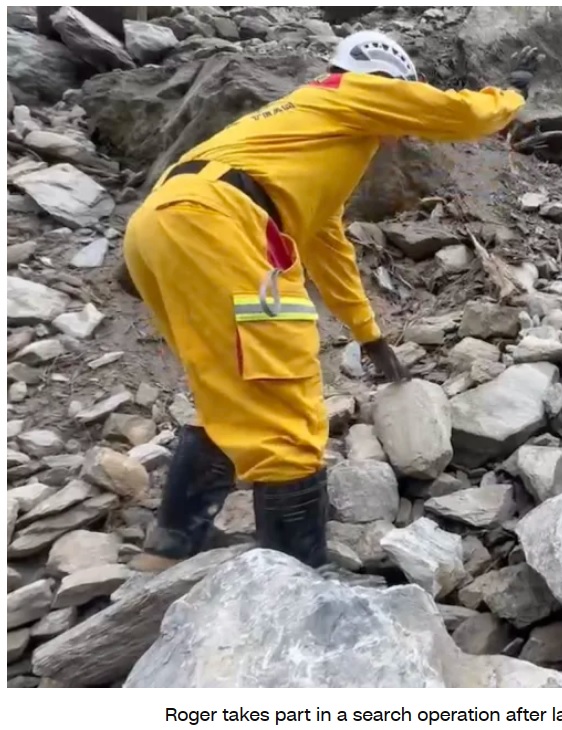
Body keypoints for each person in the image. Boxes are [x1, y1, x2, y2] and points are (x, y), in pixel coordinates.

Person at [121, 30, 538, 574]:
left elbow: (327, 246)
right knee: (288, 410)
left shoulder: (305, 140)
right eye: (400, 101)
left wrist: (368, 334)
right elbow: (458, 114)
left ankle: (167, 550)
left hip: (162, 225)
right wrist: (510, 98)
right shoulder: (348, 90)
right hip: (223, 223)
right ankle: (295, 589)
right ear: (386, 84)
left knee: (230, 392)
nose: (399, 133)